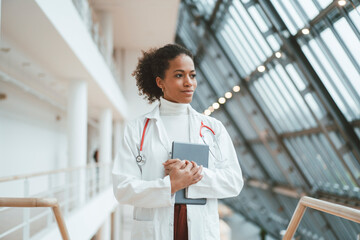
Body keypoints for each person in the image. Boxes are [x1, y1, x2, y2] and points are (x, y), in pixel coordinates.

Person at [112, 44, 243, 240]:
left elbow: (234, 182)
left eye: (193, 75)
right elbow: (122, 189)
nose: (189, 82)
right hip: (154, 230)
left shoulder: (213, 128)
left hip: (199, 229)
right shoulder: (137, 129)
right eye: (179, 75)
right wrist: (170, 185)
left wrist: (191, 176)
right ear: (160, 82)